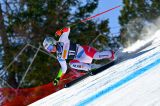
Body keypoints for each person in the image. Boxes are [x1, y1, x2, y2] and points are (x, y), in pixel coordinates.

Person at [43, 27, 115, 86]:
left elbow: (68, 29)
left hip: (85, 51)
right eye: (49, 50)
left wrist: (61, 31)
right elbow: (64, 69)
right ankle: (92, 67)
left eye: (50, 47)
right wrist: (57, 78)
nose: (51, 50)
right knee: (72, 64)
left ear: (53, 43)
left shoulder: (62, 40)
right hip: (82, 60)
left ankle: (113, 54)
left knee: (97, 56)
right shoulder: (59, 56)